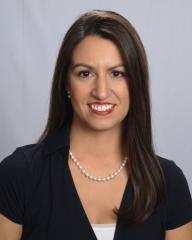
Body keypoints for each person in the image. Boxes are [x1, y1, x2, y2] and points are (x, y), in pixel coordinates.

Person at [0, 9, 192, 240]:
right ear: (66, 84)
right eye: (85, 73)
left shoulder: (169, 182)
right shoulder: (19, 175)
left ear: (136, 84)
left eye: (117, 73)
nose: (101, 92)